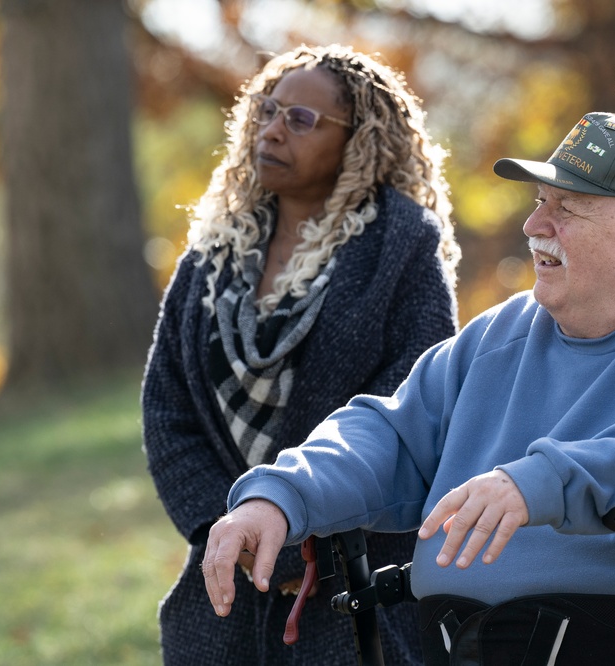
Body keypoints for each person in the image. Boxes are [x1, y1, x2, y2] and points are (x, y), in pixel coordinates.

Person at [201, 112, 615, 664]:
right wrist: (279, 496)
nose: (534, 224)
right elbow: (390, 433)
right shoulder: (501, 334)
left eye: (567, 208)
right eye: (541, 201)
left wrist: (541, 481)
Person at [141, 44, 461, 665]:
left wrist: (290, 530)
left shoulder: (400, 247)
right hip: (224, 584)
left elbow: (413, 408)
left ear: (358, 140)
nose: (272, 130)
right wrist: (228, 532)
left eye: (301, 120)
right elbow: (167, 410)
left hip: (354, 580)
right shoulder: (212, 255)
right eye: (266, 110)